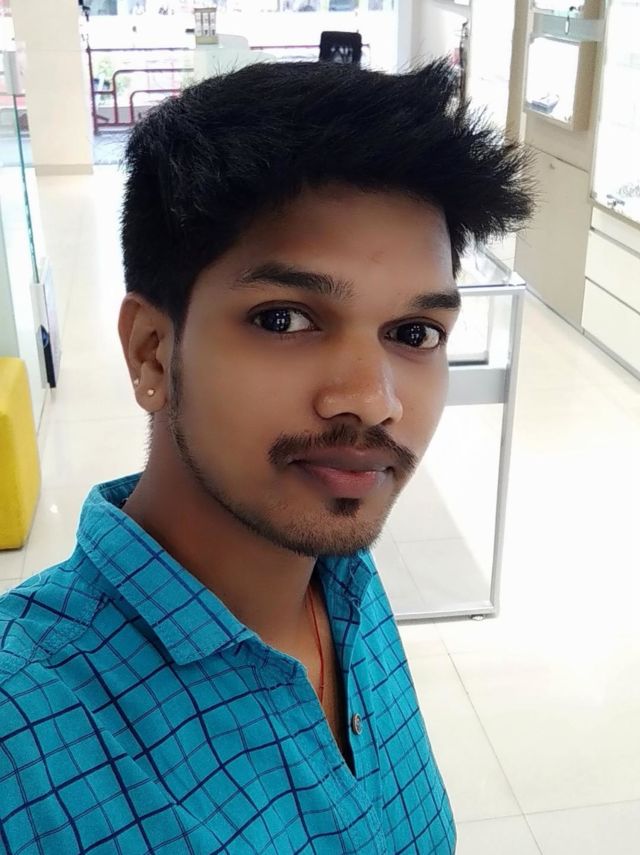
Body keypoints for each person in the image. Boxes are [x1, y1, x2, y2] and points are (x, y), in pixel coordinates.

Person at [0, 60, 532, 853]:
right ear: (151, 351)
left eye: (414, 333)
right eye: (284, 318)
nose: (373, 399)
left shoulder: (346, 583)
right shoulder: (23, 737)